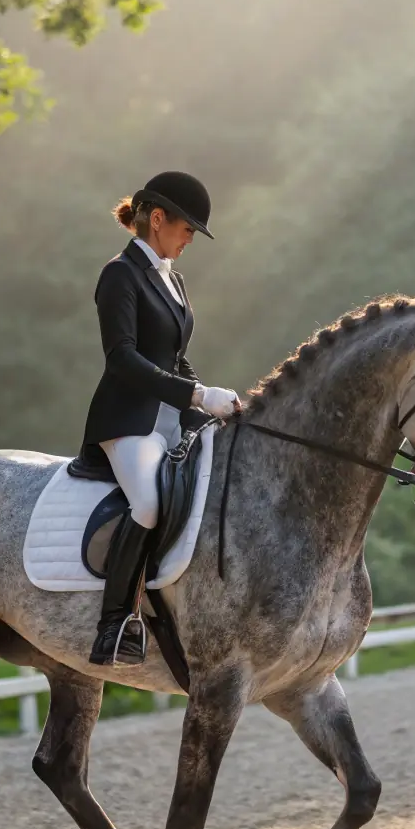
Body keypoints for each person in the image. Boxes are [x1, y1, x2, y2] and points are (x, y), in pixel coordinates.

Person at [77, 171, 241, 667]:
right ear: (157, 218)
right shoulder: (119, 275)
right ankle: (114, 625)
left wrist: (214, 403)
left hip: (172, 417)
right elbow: (123, 359)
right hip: (129, 420)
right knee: (148, 502)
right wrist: (196, 393)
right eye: (187, 228)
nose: (190, 239)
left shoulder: (174, 278)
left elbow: (175, 359)